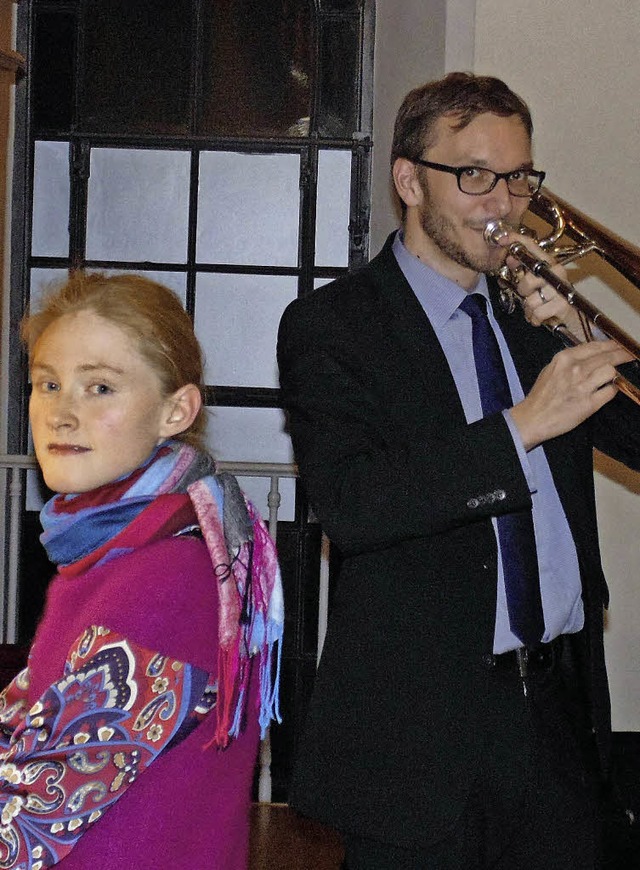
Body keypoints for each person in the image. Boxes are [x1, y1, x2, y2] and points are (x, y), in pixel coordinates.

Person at [277, 72, 640, 869]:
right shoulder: (333, 327)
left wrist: (580, 331)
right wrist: (522, 426)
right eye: (474, 175)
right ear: (410, 179)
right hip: (420, 734)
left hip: (555, 720)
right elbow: (356, 504)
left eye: (518, 179)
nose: (502, 203)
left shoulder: (537, 320)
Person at [0, 272, 283, 869]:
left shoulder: (167, 578)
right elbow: (22, 724)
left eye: (99, 387)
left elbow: (30, 818)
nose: (61, 413)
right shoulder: (115, 550)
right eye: (47, 384)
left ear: (176, 410)